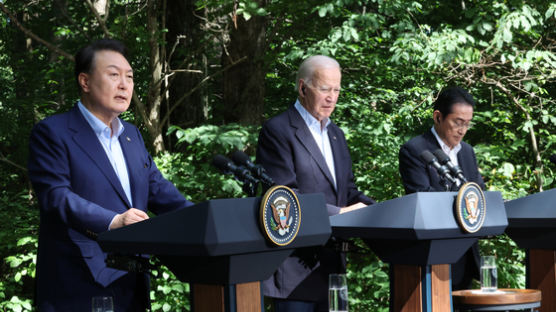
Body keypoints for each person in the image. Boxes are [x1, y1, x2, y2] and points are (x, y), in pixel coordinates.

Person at [28, 39, 194, 311]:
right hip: (78, 284)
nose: (124, 84)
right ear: (85, 81)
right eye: (114, 75)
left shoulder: (131, 135)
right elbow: (56, 197)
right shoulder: (53, 132)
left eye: (129, 77)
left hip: (132, 282)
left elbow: (160, 191)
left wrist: (205, 221)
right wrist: (113, 220)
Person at [256, 55, 375, 312]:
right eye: (324, 89)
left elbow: (348, 191)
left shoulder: (336, 134)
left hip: (333, 270)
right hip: (294, 272)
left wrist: (379, 211)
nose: (332, 97)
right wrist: (340, 214)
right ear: (302, 88)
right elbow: (283, 199)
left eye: (337, 90)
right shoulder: (278, 130)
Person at [398, 86, 486, 290]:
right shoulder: (416, 150)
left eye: (467, 124)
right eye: (457, 122)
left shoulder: (467, 152)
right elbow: (423, 199)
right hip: (433, 255)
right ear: (438, 117)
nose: (462, 130)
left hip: (466, 257)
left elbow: (478, 192)